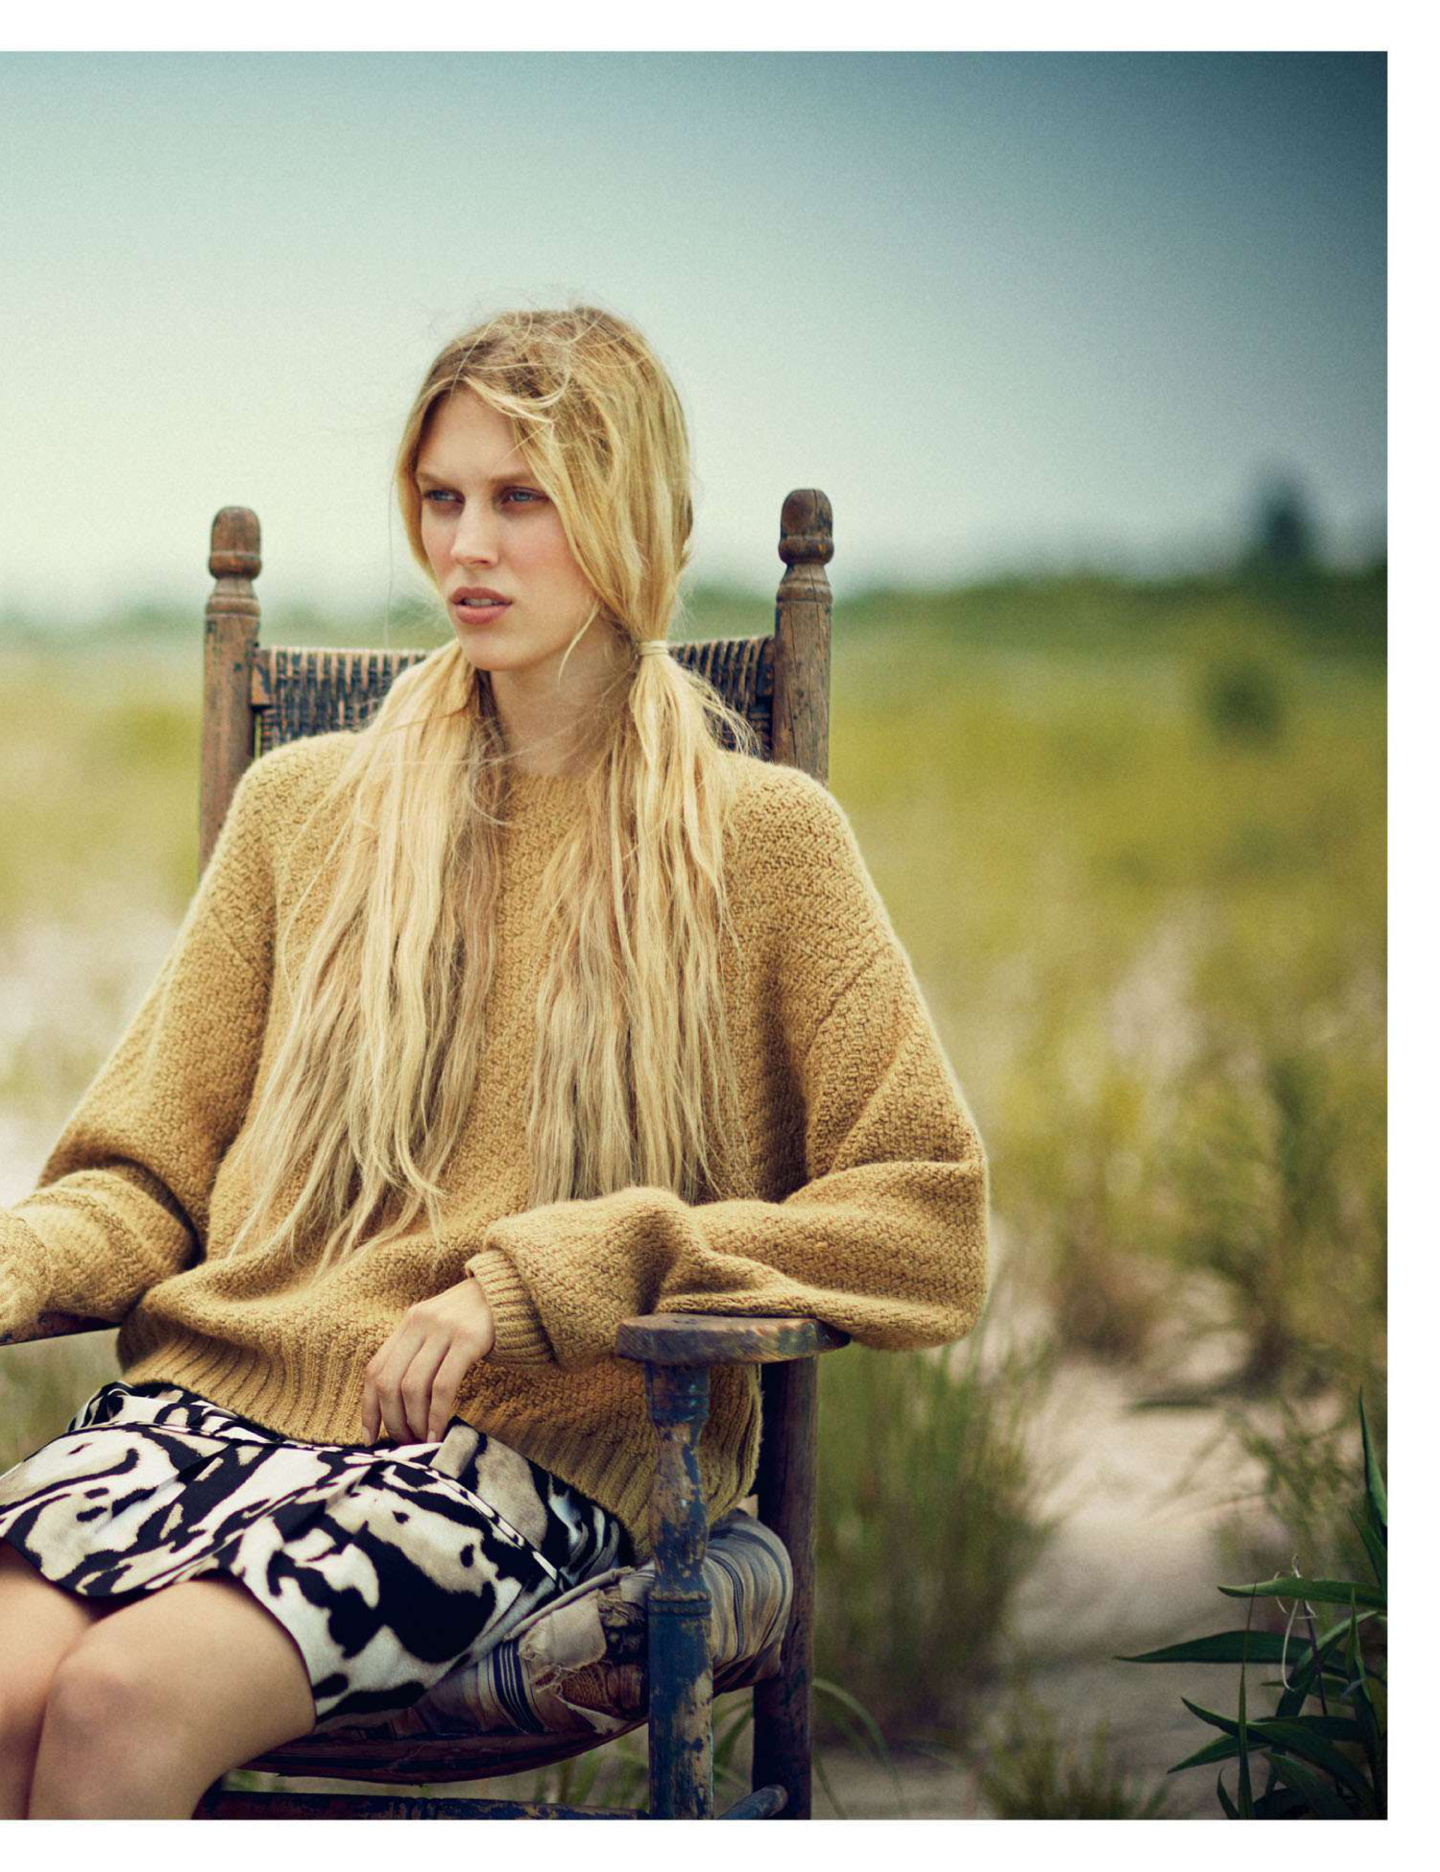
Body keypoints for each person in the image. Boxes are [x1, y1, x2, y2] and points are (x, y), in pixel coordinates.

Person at [0, 304, 990, 1819]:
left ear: (631, 516)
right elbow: (145, 1180)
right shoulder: (302, 810)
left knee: (119, 1705)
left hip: (518, 1456)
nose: (468, 546)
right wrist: (17, 1262)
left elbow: (926, 1220)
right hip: (208, 1410)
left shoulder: (764, 842)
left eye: (522, 499)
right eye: (442, 497)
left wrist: (551, 1277)